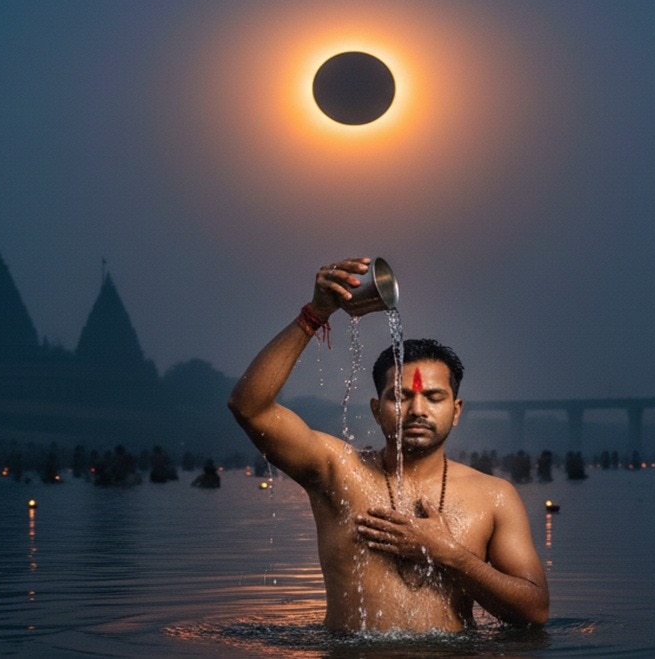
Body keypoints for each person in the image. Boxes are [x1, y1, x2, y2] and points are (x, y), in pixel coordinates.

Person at [228, 257, 548, 633]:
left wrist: (450, 555)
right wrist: (315, 314)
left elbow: (535, 612)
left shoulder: (495, 496)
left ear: (456, 410)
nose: (417, 410)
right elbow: (249, 408)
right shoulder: (337, 471)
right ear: (377, 410)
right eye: (399, 397)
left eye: (434, 397)